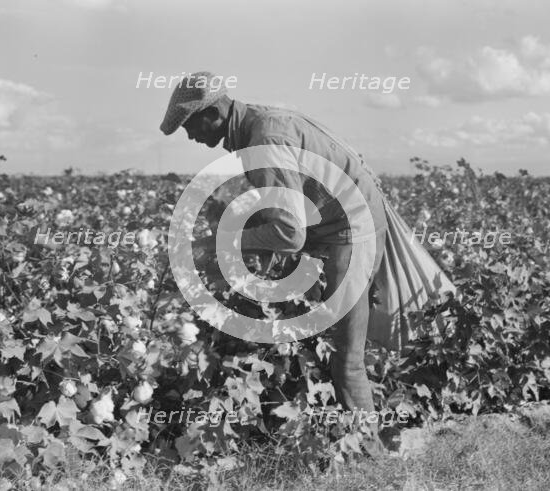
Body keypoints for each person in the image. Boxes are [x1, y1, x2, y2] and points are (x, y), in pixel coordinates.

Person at [160, 71, 453, 427]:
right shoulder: (262, 122)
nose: (191, 136)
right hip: (340, 221)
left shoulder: (264, 140)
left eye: (190, 125)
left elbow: (288, 233)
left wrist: (215, 245)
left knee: (347, 361)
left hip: (351, 230)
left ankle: (370, 457)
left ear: (215, 112)